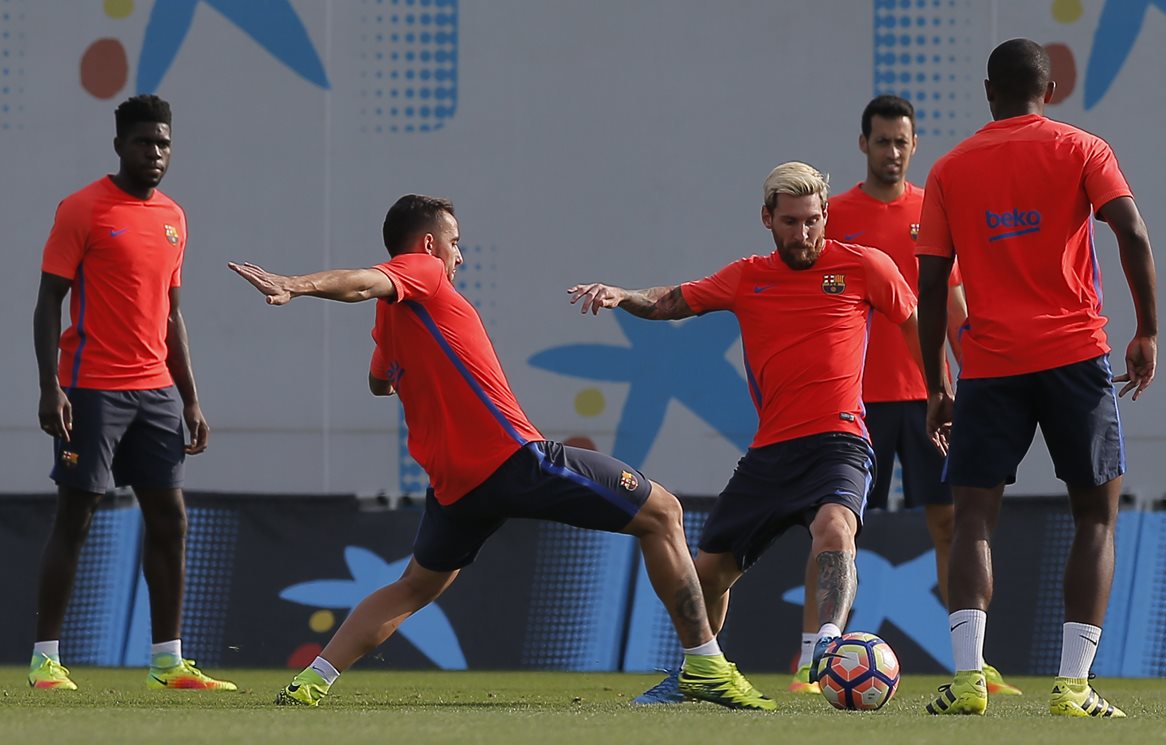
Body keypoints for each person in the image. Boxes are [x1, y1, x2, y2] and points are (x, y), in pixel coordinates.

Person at [229, 195, 774, 711]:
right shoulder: (423, 275)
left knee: (415, 585)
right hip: (512, 459)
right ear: (425, 247)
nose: (459, 255)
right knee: (663, 513)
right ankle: (704, 666)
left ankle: (312, 681)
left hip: (456, 486)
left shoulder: (392, 320)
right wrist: (294, 285)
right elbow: (362, 282)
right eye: (454, 242)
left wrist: (419, 372)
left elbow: (378, 381)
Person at [567, 161, 921, 704]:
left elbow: (916, 320)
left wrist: (942, 394)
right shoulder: (746, 276)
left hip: (840, 441)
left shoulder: (865, 266)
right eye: (790, 222)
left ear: (826, 215)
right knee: (705, 575)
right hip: (771, 453)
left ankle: (825, 646)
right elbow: (672, 301)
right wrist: (623, 295)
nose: (802, 234)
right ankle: (696, 675)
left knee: (835, 527)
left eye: (812, 221)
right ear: (767, 219)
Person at [917, 39, 1157, 718]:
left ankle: (967, 682)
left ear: (989, 91)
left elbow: (931, 282)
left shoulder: (949, 169)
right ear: (1049, 91)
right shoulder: (1083, 149)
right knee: (1095, 518)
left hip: (990, 365)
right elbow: (1132, 231)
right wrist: (1148, 330)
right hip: (1077, 355)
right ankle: (1074, 688)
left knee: (972, 521)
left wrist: (937, 381)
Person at [789, 95, 1019, 697]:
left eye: (902, 141)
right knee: (835, 529)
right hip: (853, 401)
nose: (892, 152)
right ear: (862, 144)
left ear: (915, 146)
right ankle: (811, 663)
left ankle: (968, 663)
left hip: (927, 397)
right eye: (882, 140)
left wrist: (975, 380)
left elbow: (955, 306)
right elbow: (816, 296)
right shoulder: (831, 216)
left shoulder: (933, 209)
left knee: (949, 524)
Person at [30, 95, 233, 691]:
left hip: (157, 394)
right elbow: (48, 302)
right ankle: (45, 661)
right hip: (91, 389)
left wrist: (190, 398)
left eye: (164, 143)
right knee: (76, 515)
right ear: (120, 145)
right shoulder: (83, 209)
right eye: (145, 142)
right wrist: (51, 387)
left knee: (170, 521)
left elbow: (171, 314)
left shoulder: (174, 215)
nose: (156, 153)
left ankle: (167, 662)